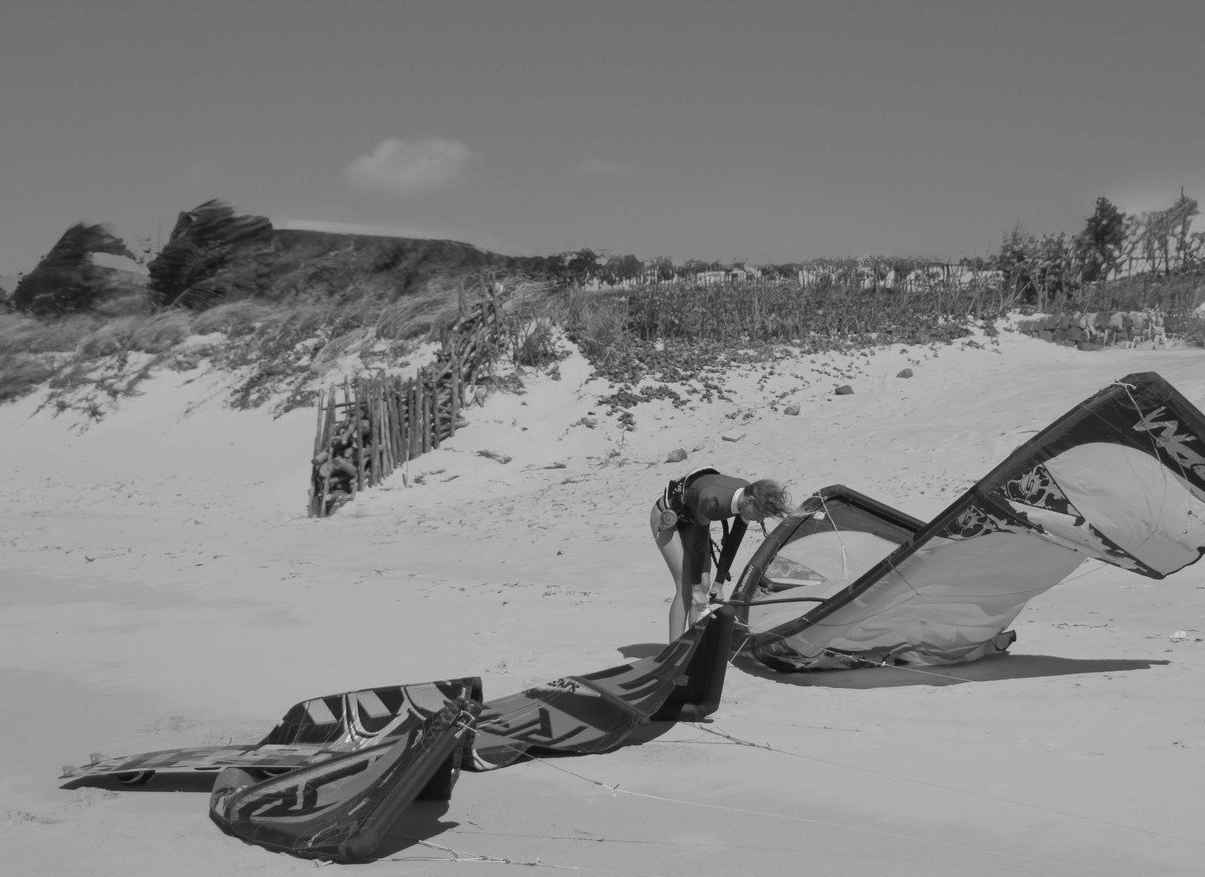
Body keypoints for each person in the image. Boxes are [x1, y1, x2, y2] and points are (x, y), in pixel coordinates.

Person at [651, 468, 791, 642]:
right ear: (750, 501)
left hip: (692, 518)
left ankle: (692, 647)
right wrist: (695, 589)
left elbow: (733, 542)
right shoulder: (712, 501)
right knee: (686, 586)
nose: (758, 520)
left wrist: (718, 584)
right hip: (667, 517)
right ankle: (673, 650)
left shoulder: (746, 499)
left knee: (705, 584)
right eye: (759, 515)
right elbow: (698, 547)